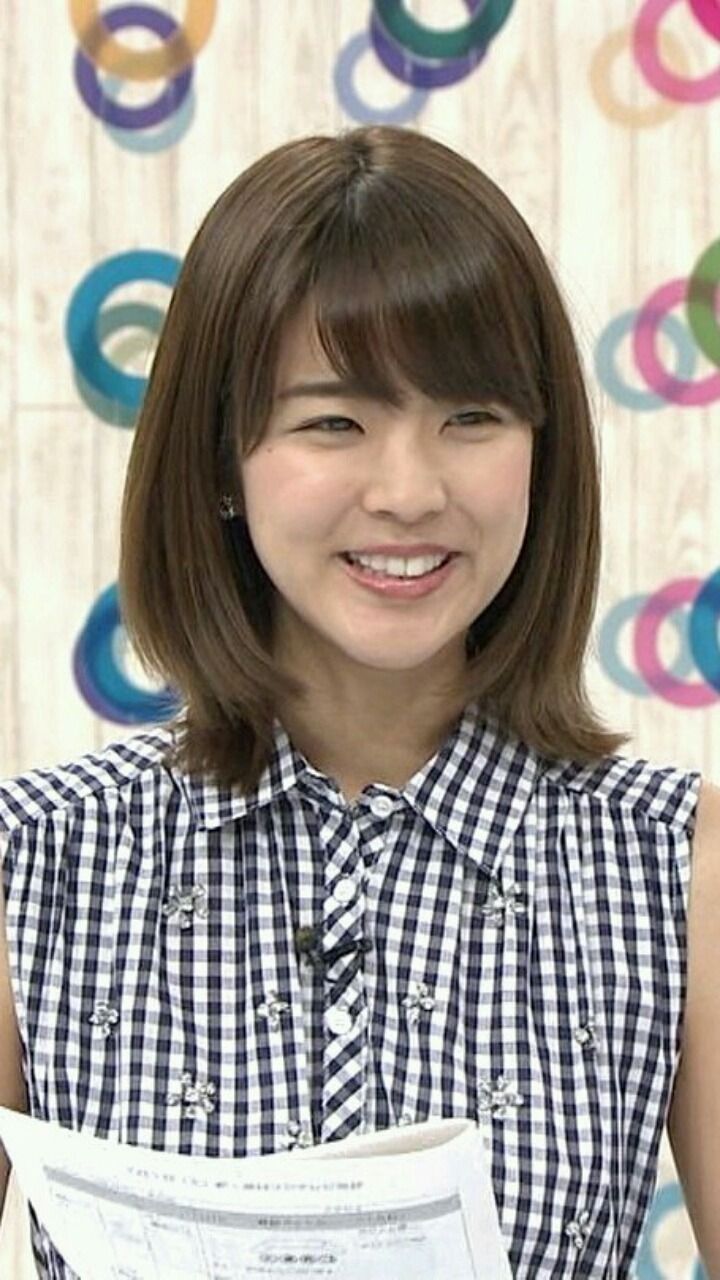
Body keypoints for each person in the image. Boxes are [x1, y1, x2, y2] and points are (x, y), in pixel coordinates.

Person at [0, 124, 718, 1279]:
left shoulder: (676, 861)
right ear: (222, 461)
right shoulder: (38, 860)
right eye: (334, 420)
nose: (410, 490)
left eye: (471, 417)